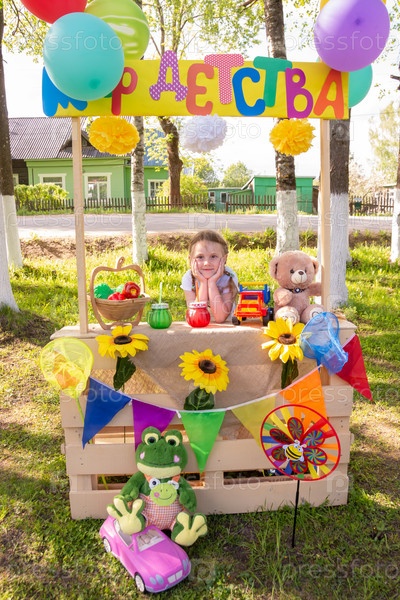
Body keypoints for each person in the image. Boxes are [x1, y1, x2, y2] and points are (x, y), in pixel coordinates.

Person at [181, 230, 238, 323]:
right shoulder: (189, 278)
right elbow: (197, 316)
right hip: (199, 325)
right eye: (200, 257)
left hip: (226, 327)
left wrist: (211, 283)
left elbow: (220, 318)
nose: (207, 263)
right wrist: (203, 283)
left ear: (224, 259)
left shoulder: (229, 277)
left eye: (213, 256)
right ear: (190, 260)